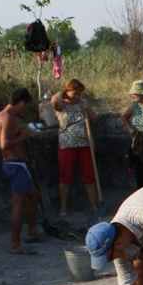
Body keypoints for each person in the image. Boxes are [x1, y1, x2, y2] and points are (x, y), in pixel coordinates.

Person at [0, 87, 42, 254]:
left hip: (14, 164)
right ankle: (15, 243)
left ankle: (32, 231)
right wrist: (24, 136)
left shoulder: (2, 116)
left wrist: (22, 131)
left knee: (33, 196)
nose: (24, 110)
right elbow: (4, 144)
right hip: (15, 164)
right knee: (19, 204)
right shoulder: (7, 117)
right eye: (25, 106)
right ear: (21, 102)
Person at [51, 79, 100, 219]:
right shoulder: (61, 104)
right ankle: (63, 208)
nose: (78, 95)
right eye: (75, 92)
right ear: (67, 91)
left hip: (84, 144)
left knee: (89, 176)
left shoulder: (82, 104)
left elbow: (94, 118)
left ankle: (94, 206)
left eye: (80, 93)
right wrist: (64, 93)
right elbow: (54, 100)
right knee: (65, 177)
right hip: (67, 145)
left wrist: (87, 107)